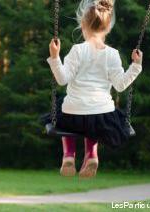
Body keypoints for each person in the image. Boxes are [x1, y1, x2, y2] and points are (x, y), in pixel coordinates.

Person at [47, 0, 143, 178]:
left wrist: (54, 57)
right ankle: (92, 155)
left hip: (73, 115)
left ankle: (68, 155)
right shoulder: (112, 54)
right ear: (107, 28)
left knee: (64, 111)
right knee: (94, 119)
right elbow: (121, 85)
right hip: (102, 117)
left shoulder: (77, 50)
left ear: (83, 25)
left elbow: (62, 79)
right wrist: (136, 66)